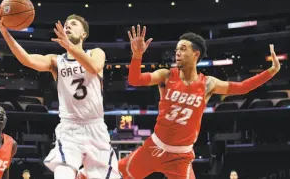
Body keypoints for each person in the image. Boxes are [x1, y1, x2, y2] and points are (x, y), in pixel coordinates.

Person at [117, 25, 280, 178]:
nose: (177, 53)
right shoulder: (166, 76)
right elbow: (135, 80)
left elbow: (243, 87)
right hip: (154, 147)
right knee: (113, 173)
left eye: (183, 49)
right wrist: (137, 56)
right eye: (176, 50)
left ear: (196, 54)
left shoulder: (208, 84)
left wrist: (271, 71)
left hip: (180, 157)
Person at [0, 6, 120, 179]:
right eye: (66, 24)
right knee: (63, 173)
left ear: (84, 34)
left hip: (95, 127)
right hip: (70, 128)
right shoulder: (56, 61)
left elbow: (94, 67)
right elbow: (27, 59)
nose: (68, 26)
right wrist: (5, 32)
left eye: (74, 24)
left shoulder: (96, 53)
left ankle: (84, 174)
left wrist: (70, 47)